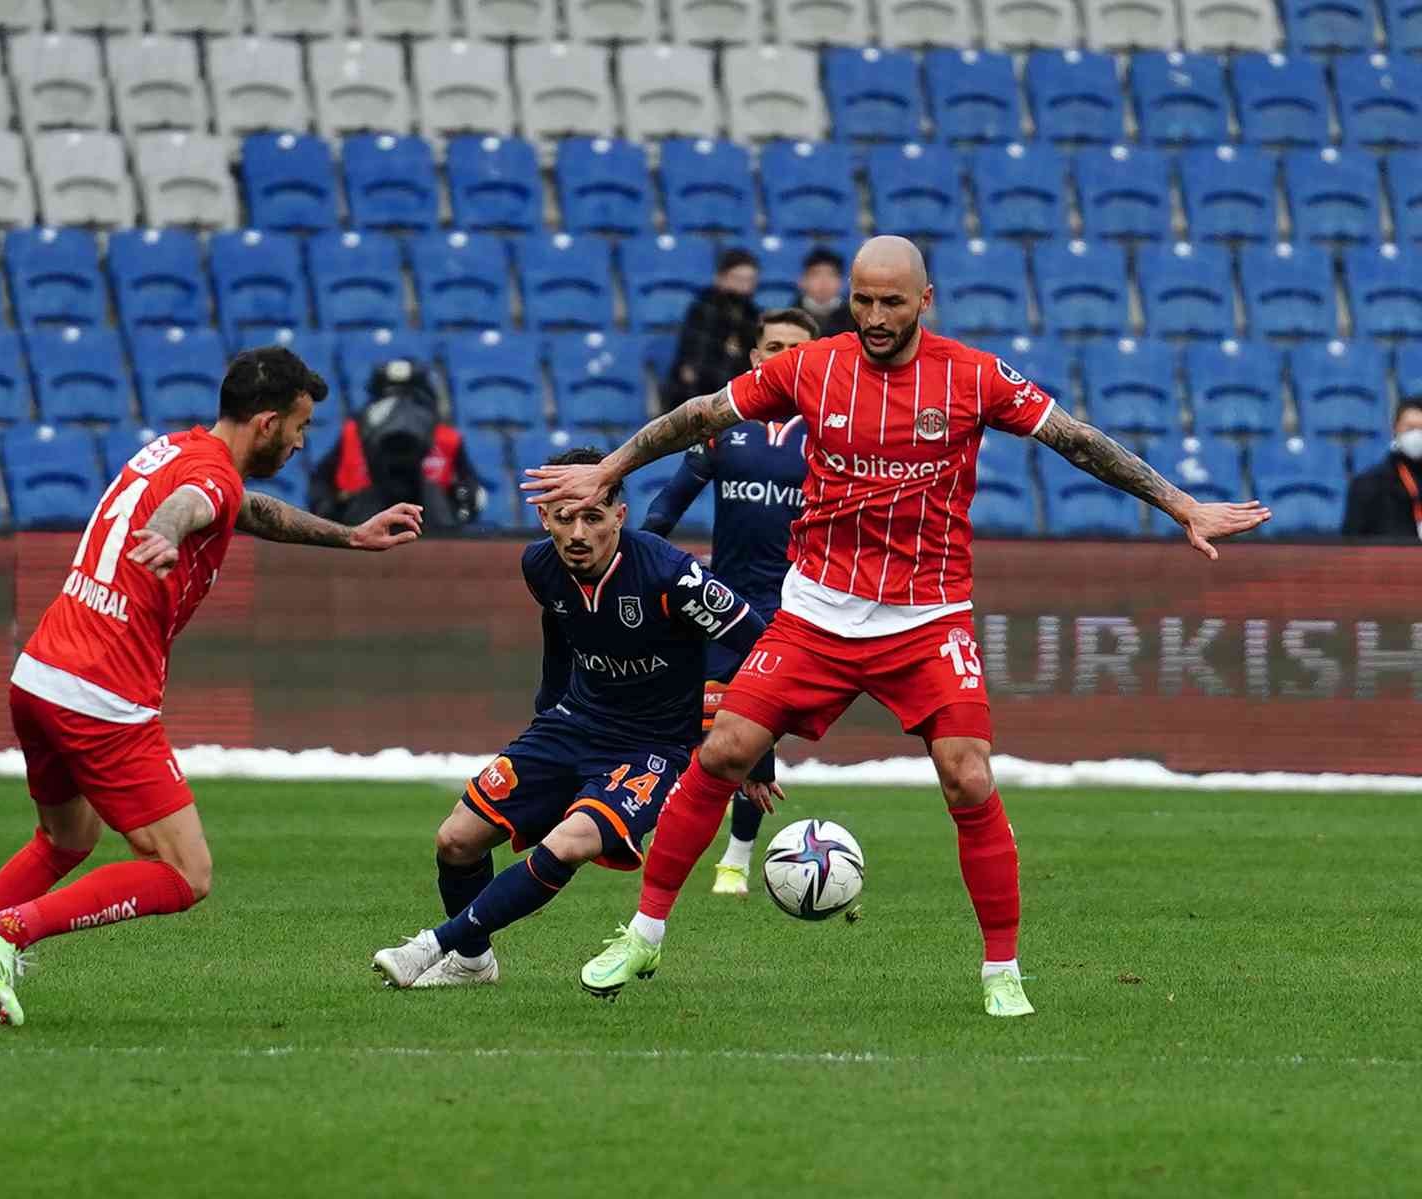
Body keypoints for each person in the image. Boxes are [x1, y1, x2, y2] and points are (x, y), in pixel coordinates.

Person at [523, 235, 1272, 1017]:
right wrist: (610, 469)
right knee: (723, 750)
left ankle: (1002, 972)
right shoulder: (813, 367)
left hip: (926, 616)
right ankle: (644, 933)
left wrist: (1181, 505)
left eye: (891, 302)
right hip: (817, 610)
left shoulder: (974, 376)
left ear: (925, 300)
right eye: (862, 301)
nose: (875, 317)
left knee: (968, 776)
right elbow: (701, 414)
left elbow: (1076, 440)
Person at [0, 346, 424, 1027]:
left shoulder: (175, 450)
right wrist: (163, 531)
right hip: (102, 692)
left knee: (65, 840)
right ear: (267, 423)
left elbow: (242, 508)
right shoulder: (207, 480)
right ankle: (4, 932)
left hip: (40, 674)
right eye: (300, 427)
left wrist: (350, 537)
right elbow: (193, 505)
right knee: (186, 873)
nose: (303, 443)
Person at [370, 448, 769, 990]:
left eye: (594, 518)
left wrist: (757, 752)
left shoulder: (673, 576)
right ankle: (472, 963)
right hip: (571, 728)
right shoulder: (539, 566)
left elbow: (762, 646)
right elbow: (560, 630)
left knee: (569, 843)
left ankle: (432, 946)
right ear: (543, 518)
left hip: (651, 749)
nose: (579, 533)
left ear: (620, 517)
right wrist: (547, 715)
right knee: (456, 840)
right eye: (565, 518)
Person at [641, 307, 819, 896]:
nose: (785, 358)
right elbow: (670, 502)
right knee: (708, 729)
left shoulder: (831, 432)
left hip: (796, 604)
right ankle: (661, 826)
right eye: (775, 347)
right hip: (725, 601)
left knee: (756, 730)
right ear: (755, 357)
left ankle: (737, 859)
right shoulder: (725, 423)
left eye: (797, 348)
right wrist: (638, 554)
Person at [310, 359, 486, 532]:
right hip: (360, 530)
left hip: (431, 531)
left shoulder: (448, 439)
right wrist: (334, 511)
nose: (400, 413)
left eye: (409, 398)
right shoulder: (352, 433)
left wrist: (455, 513)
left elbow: (471, 494)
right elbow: (320, 486)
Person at [663, 248, 761, 411]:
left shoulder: (753, 315)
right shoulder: (704, 308)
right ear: (720, 279)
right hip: (695, 401)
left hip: (735, 400)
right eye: (738, 279)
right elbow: (693, 368)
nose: (744, 286)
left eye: (750, 280)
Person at [1343, 397, 1422, 539]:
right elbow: (1350, 543)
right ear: (1395, 429)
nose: (1417, 435)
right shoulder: (1368, 485)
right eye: (1410, 428)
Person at [795, 246, 852, 337]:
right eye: (816, 274)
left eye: (831, 275)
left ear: (841, 282)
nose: (824, 281)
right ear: (802, 281)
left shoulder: (853, 319)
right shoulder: (790, 318)